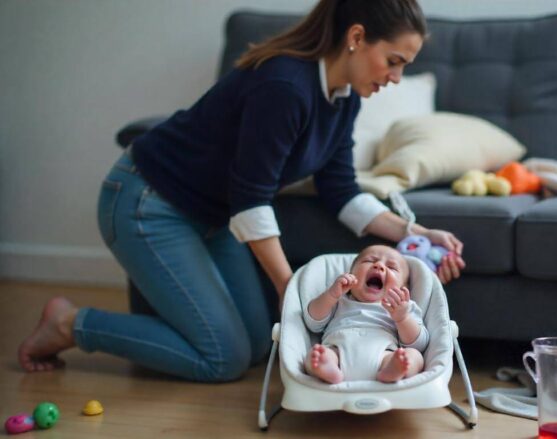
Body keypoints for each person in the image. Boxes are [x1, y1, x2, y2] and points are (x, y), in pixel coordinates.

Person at [17, 0, 465, 382]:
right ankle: (70, 324)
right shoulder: (286, 86)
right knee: (223, 358)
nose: (395, 77)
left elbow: (341, 191)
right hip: (148, 202)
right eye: (394, 61)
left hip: (214, 217)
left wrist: (416, 231)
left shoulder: (344, 98)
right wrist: (292, 289)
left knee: (255, 345)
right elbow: (252, 199)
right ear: (356, 36)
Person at [304, 245, 425, 383]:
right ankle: (327, 367)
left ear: (403, 288)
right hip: (337, 351)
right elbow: (313, 322)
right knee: (315, 354)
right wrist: (331, 295)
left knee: (415, 356)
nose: (379, 265)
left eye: (392, 267)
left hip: (384, 356)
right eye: (369, 261)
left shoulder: (404, 308)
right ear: (350, 273)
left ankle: (394, 370)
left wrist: (402, 318)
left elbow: (418, 344)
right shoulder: (339, 300)